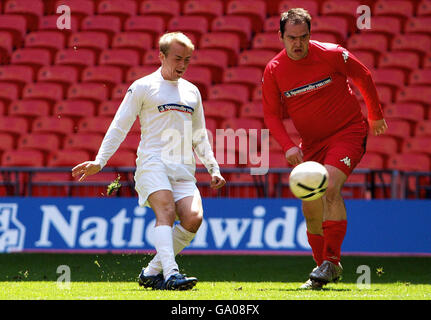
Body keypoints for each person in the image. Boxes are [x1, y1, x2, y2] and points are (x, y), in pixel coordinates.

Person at [72, 32, 226, 290]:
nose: (183, 65)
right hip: (152, 163)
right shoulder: (143, 86)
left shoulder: (192, 91)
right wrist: (100, 161)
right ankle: (171, 274)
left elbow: (199, 134)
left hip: (183, 168)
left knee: (194, 219)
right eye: (178, 58)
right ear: (161, 56)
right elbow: (119, 126)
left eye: (187, 60)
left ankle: (151, 271)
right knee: (165, 211)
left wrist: (213, 167)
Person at [262, 8, 388, 289]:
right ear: (280, 36)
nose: (298, 44)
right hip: (312, 144)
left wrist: (375, 114)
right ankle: (324, 268)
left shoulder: (332, 53)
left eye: (303, 37)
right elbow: (271, 114)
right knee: (310, 205)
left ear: (310, 35)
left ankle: (331, 260)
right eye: (292, 38)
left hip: (348, 131)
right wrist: (287, 146)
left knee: (329, 186)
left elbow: (363, 76)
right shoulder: (274, 70)